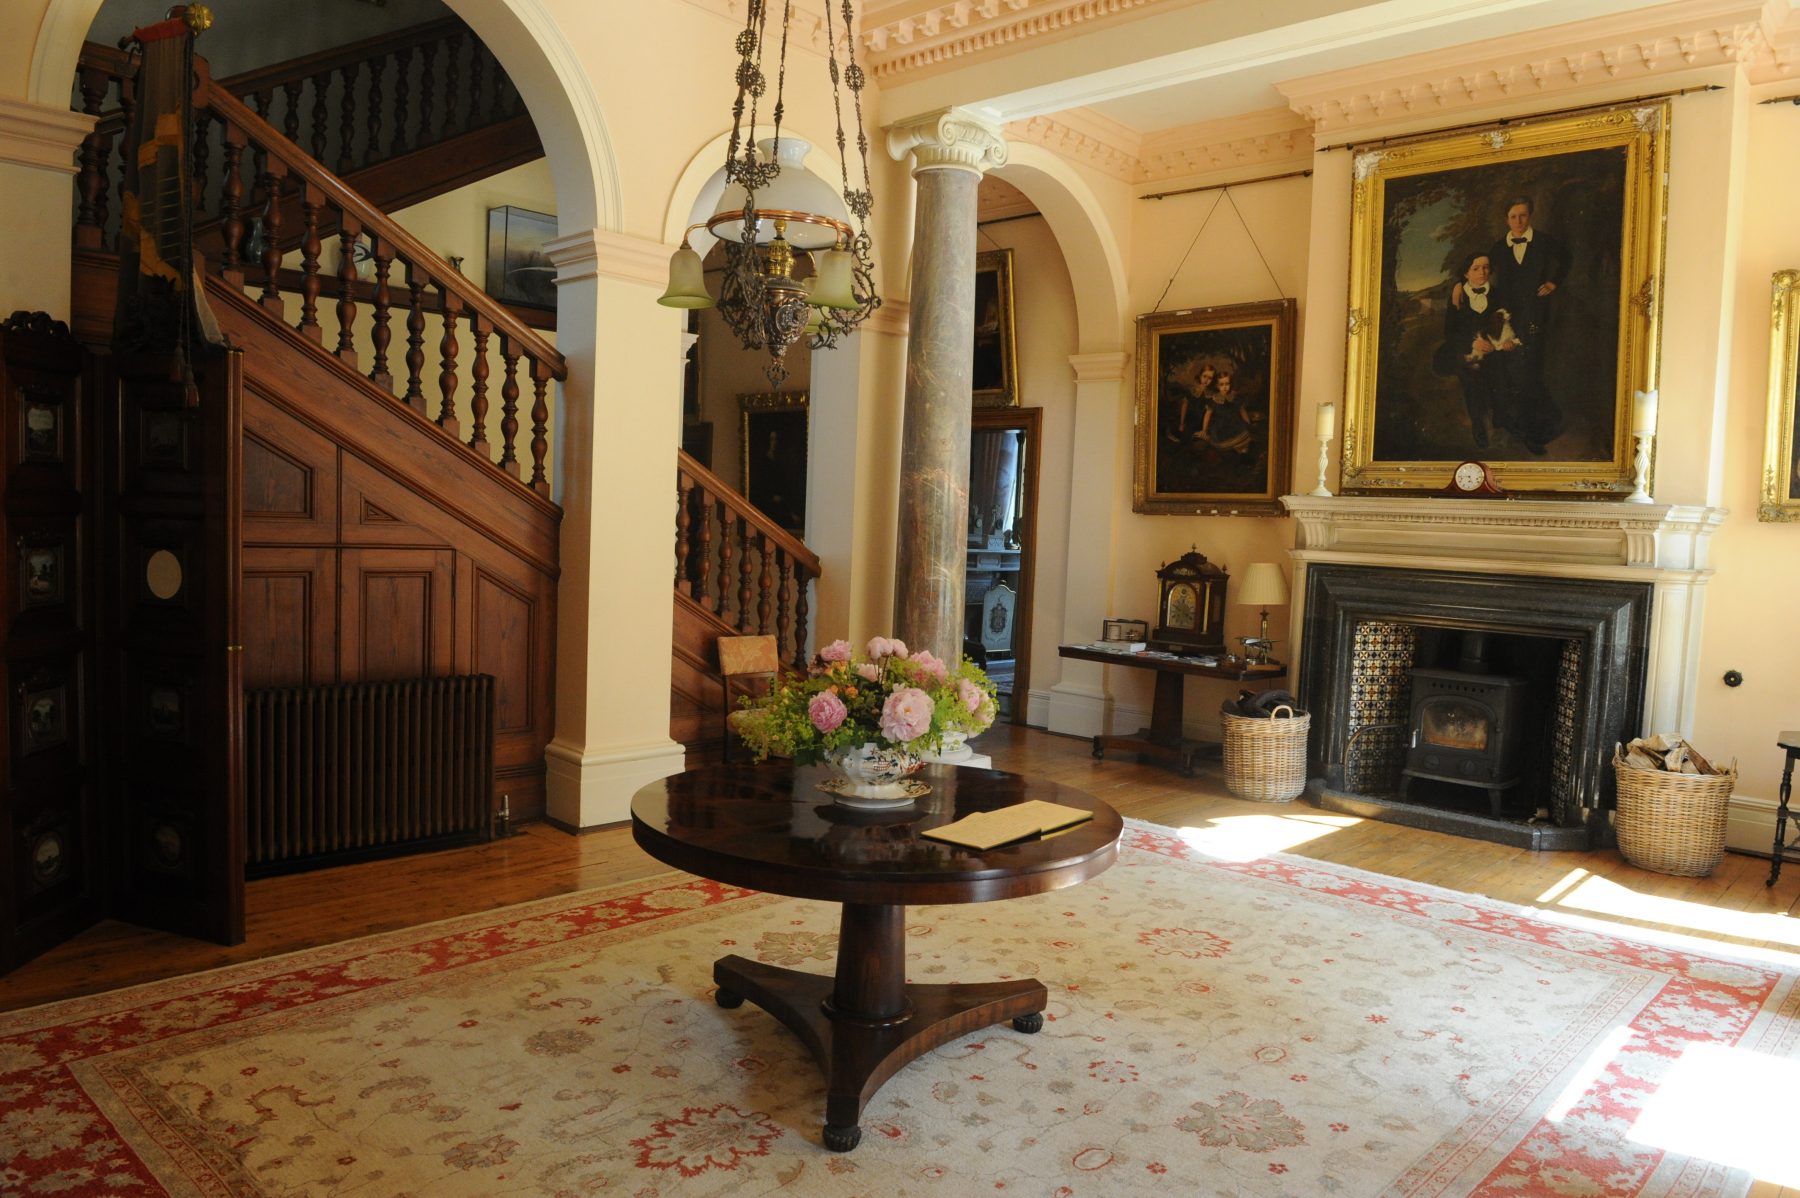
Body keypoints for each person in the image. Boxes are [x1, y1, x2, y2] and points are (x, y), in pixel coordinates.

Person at [1481, 195, 1568, 454]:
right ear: (1506, 220)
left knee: (1530, 372)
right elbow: (1479, 272)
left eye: (1523, 216)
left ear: (1530, 216)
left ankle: (1535, 432)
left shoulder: (1542, 241)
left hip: (1535, 317)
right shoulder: (1499, 247)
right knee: (1510, 371)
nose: (1518, 221)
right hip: (1507, 319)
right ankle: (1513, 422)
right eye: (1513, 217)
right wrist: (1457, 287)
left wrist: (1553, 282)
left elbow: (1567, 257)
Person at [1438, 252, 1519, 449]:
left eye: (1486, 267)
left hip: (1495, 351)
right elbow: (1450, 331)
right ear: (1466, 273)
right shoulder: (1458, 297)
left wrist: (1509, 342)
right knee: (1473, 387)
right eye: (1476, 268)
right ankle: (1478, 425)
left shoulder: (1497, 294)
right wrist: (1472, 343)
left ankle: (1501, 420)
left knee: (1502, 382)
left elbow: (1508, 323)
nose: (1482, 272)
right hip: (1469, 354)